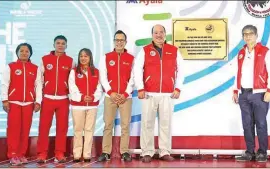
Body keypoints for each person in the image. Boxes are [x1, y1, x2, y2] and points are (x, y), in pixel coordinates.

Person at [133, 24, 184, 163]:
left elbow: (181, 70)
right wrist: (140, 88)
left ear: (165, 34)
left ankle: (164, 151)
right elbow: (137, 70)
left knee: (166, 124)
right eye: (156, 32)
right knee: (147, 123)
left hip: (168, 94)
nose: (159, 35)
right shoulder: (144, 50)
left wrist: (178, 87)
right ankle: (147, 152)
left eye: (161, 32)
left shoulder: (174, 50)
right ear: (152, 35)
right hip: (149, 93)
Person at [232, 25, 270, 162]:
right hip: (244, 94)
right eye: (245, 34)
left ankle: (262, 152)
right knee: (247, 124)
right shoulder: (241, 53)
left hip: (260, 93)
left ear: (256, 35)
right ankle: (249, 152)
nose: (247, 36)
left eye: (250, 34)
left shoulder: (265, 51)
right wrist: (236, 90)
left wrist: (269, 90)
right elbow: (237, 72)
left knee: (261, 123)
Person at [1, 43, 42, 166]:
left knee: (25, 130)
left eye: (27, 51)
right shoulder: (11, 67)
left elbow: (38, 85)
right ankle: (13, 155)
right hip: (13, 103)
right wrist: (5, 100)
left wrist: (38, 101)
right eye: (22, 51)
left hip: (29, 103)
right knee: (14, 130)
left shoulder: (35, 68)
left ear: (30, 53)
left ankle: (21, 154)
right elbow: (4, 84)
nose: (24, 53)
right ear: (17, 52)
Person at [98, 30, 135, 162]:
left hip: (126, 97)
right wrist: (110, 92)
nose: (119, 42)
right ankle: (105, 152)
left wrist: (125, 93)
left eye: (122, 40)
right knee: (108, 124)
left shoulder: (131, 59)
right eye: (117, 40)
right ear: (114, 41)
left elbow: (133, 78)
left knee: (125, 125)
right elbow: (102, 76)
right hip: (110, 97)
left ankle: (124, 151)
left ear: (125, 42)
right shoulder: (106, 57)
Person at [37, 35, 74, 163]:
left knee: (62, 127)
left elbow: (72, 81)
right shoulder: (45, 59)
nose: (60, 45)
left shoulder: (70, 61)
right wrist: (39, 98)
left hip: (63, 99)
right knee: (43, 127)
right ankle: (42, 154)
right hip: (47, 98)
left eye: (63, 43)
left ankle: (59, 153)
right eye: (58, 43)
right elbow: (39, 80)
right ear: (54, 45)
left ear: (66, 46)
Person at [68, 48, 102, 162]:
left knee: (89, 130)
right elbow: (72, 87)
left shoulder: (96, 71)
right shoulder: (74, 71)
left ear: (90, 57)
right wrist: (82, 97)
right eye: (81, 56)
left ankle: (87, 154)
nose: (83, 58)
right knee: (78, 130)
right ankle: (77, 154)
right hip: (77, 105)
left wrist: (93, 97)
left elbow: (99, 88)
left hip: (92, 106)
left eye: (86, 56)